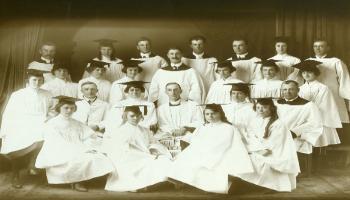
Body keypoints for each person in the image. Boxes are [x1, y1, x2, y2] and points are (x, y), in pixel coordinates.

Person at [168, 104, 254, 194]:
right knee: (185, 156)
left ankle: (204, 184)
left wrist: (203, 149)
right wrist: (184, 135)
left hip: (219, 151)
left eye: (213, 113)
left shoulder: (227, 127)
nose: (210, 116)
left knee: (201, 160)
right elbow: (195, 139)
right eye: (207, 114)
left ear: (220, 113)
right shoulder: (203, 127)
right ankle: (181, 180)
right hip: (203, 149)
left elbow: (223, 143)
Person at [35, 96, 114, 192]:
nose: (69, 110)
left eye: (72, 108)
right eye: (66, 108)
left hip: (77, 147)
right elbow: (56, 142)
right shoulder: (52, 123)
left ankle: (86, 179)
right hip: (58, 150)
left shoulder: (75, 122)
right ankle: (78, 182)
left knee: (99, 156)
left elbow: (89, 134)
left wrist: (102, 139)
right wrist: (81, 149)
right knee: (81, 158)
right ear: (59, 108)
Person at [0, 69, 53, 188]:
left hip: (41, 122)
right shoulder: (18, 94)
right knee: (17, 144)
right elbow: (9, 113)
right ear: (27, 81)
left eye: (40, 80)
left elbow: (50, 110)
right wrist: (6, 130)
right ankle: (15, 175)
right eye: (34, 80)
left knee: (49, 137)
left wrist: (50, 115)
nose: (37, 82)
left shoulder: (47, 94)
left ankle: (33, 164)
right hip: (22, 123)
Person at [103, 105, 172, 192]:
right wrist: (143, 155)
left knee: (163, 159)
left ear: (141, 116)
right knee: (146, 162)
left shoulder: (144, 130)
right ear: (126, 116)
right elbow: (120, 149)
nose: (135, 118)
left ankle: (156, 182)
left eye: (138, 115)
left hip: (145, 154)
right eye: (132, 116)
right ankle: (141, 184)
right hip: (129, 157)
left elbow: (153, 142)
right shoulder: (121, 130)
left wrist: (153, 149)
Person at [237, 98, 300, 192]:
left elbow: (273, 143)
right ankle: (247, 183)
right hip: (259, 148)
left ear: (272, 108)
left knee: (250, 159)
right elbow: (252, 136)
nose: (260, 110)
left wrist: (255, 149)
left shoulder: (278, 124)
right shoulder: (257, 120)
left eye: (264, 107)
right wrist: (252, 146)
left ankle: (271, 185)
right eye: (258, 107)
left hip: (273, 152)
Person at [294, 60, 342, 147]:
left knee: (318, 142)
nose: (306, 75)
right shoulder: (300, 89)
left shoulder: (323, 88)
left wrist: (311, 112)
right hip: (304, 117)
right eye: (304, 73)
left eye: (309, 72)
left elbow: (325, 105)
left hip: (319, 117)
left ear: (316, 73)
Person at [155, 82, 204, 158]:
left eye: (175, 90)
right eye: (169, 90)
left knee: (196, 146)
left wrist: (185, 128)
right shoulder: (161, 109)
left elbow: (200, 121)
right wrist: (172, 131)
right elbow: (162, 124)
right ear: (166, 92)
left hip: (188, 134)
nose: (173, 93)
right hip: (169, 135)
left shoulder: (193, 105)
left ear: (180, 91)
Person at [306, 39, 350, 124]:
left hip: (332, 93)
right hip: (313, 92)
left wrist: (348, 98)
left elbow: (345, 80)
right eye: (315, 46)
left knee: (332, 119)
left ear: (328, 48)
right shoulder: (308, 61)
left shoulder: (335, 61)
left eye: (321, 46)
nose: (318, 49)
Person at [276, 80, 323, 154]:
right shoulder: (276, 104)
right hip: (277, 137)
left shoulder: (309, 105)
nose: (287, 92)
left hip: (297, 138)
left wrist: (295, 132)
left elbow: (314, 123)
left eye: (291, 89)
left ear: (298, 90)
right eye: (285, 89)